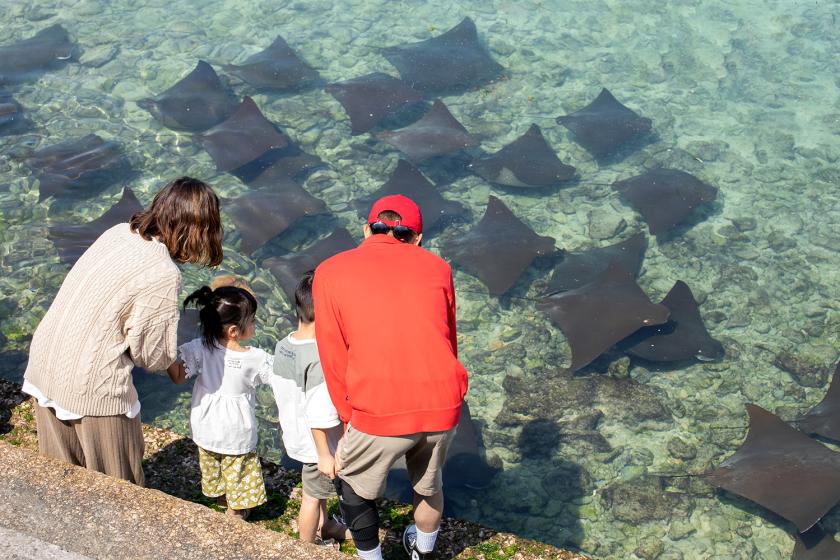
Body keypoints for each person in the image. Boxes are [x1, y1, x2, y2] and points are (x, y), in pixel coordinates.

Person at [22, 177, 222, 486]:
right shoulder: (163, 274)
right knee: (118, 489)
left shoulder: (118, 232)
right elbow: (152, 356)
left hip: (45, 363)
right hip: (90, 386)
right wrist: (178, 360)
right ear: (198, 230)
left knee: (60, 484)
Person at [313, 194, 468, 560]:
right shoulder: (438, 268)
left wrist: (350, 416)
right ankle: (423, 551)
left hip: (378, 404)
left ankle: (373, 558)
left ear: (367, 228)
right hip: (442, 399)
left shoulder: (330, 270)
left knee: (352, 489)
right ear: (417, 238)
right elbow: (448, 338)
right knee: (429, 486)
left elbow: (333, 356)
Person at [167, 285, 272, 519]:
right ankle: (235, 512)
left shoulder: (200, 347)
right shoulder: (255, 358)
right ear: (234, 330)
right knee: (240, 470)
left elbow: (179, 373)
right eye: (252, 320)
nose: (255, 324)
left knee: (212, 462)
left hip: (206, 425)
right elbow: (281, 378)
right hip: (236, 429)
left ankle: (222, 495)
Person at [267, 270, 349, 544]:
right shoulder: (320, 356)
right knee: (312, 497)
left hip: (295, 434)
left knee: (319, 492)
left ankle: (326, 528)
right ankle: (306, 545)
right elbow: (320, 413)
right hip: (318, 446)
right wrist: (325, 455)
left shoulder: (283, 345)